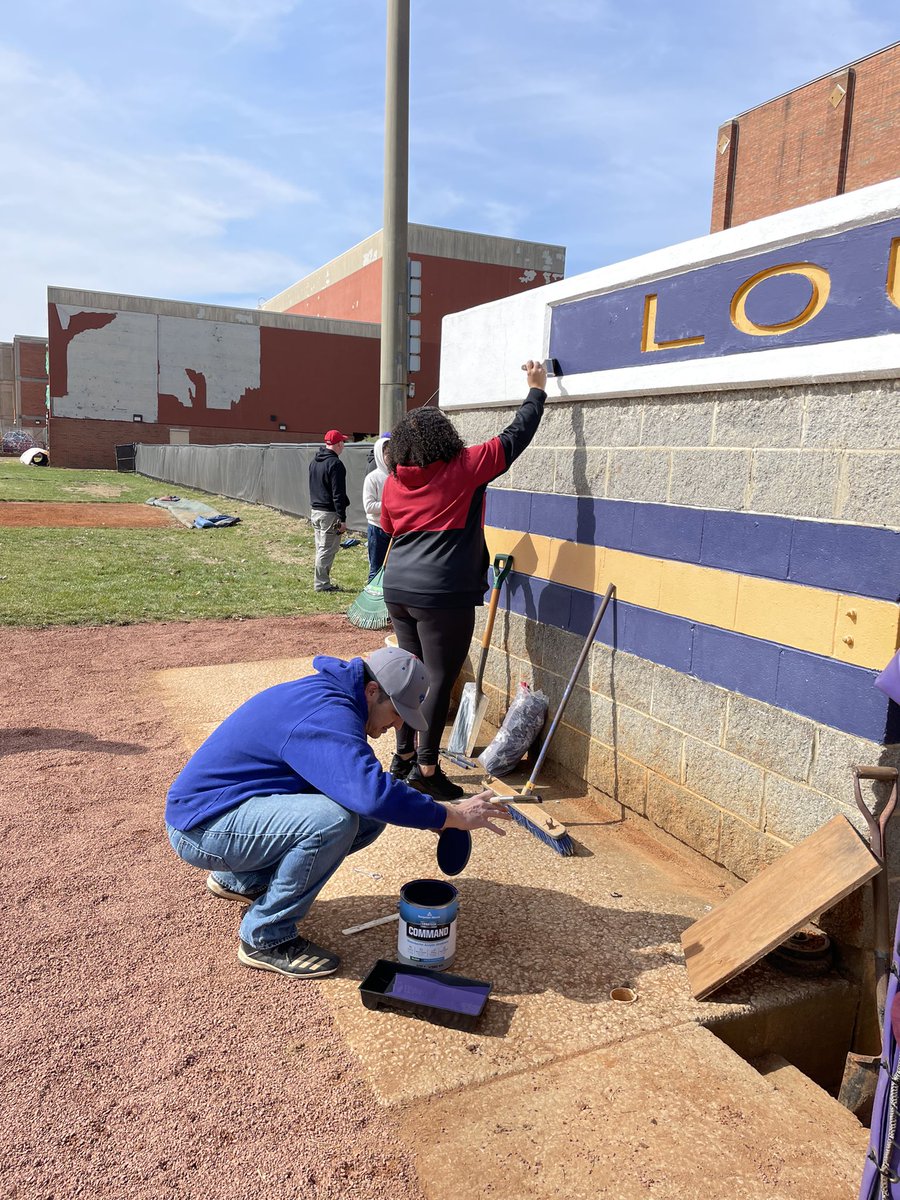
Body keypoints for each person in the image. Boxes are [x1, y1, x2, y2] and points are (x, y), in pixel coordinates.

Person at [164, 646, 510, 979]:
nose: (395, 727)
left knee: (368, 817)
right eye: (396, 714)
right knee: (333, 822)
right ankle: (266, 937)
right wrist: (448, 816)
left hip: (226, 811)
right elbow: (371, 793)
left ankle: (243, 880)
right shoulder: (327, 715)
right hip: (203, 829)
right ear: (373, 690)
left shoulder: (334, 695)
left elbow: (369, 790)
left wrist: (432, 815)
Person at [381, 358, 548, 800]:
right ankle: (427, 768)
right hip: (443, 592)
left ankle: (401, 758)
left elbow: (388, 527)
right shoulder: (466, 466)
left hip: (397, 588)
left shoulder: (394, 482)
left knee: (408, 675)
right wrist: (536, 390)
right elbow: (515, 437)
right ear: (446, 439)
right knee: (437, 678)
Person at [308, 428, 350, 592]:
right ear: (338, 443)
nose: (344, 445)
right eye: (343, 442)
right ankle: (322, 584)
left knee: (321, 548)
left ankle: (322, 582)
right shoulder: (335, 464)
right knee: (327, 549)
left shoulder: (315, 461)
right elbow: (338, 493)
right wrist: (342, 518)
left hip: (315, 510)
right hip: (329, 513)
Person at [362, 434, 391, 583]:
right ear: (380, 454)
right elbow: (369, 506)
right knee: (376, 568)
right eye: (387, 454)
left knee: (391, 569)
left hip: (394, 529)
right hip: (377, 529)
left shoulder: (397, 476)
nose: (390, 457)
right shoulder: (373, 478)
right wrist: (389, 504)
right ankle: (372, 597)